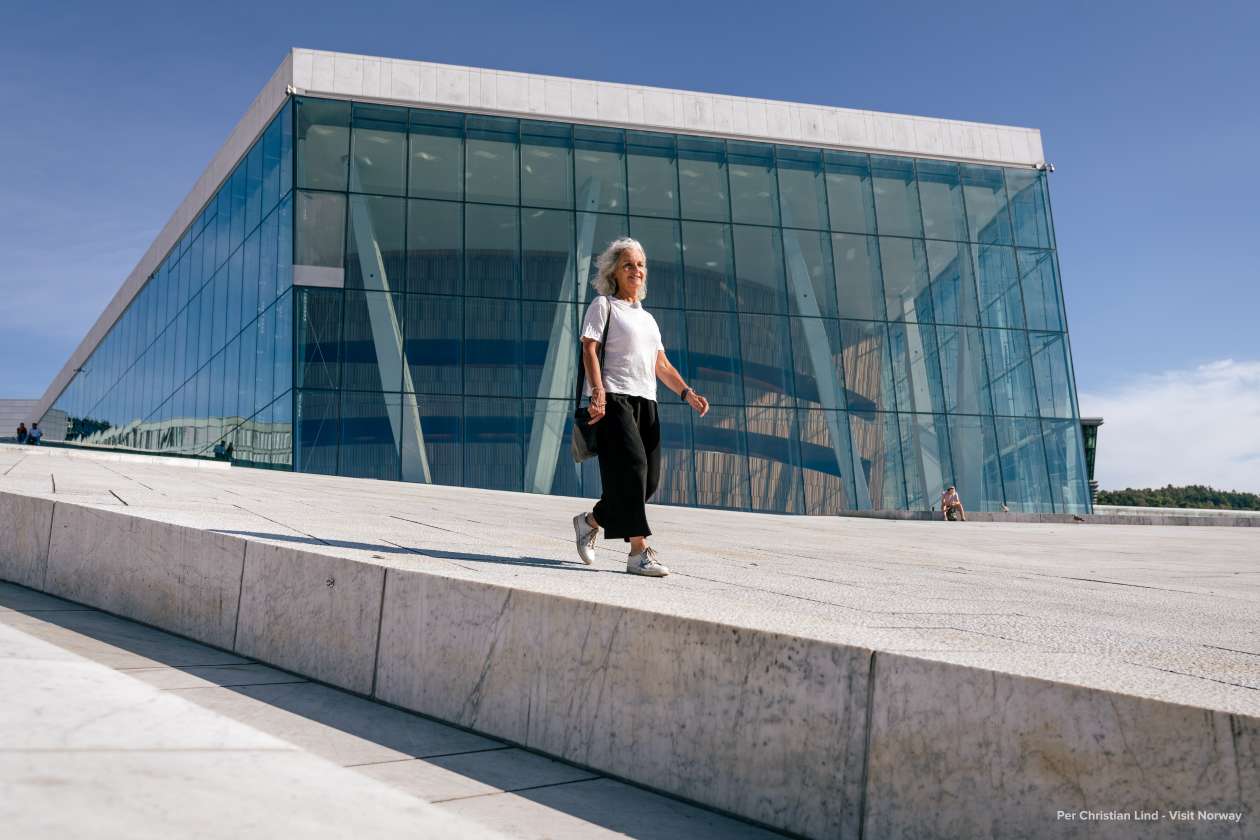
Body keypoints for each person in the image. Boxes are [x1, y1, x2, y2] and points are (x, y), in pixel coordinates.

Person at [572, 237, 709, 577]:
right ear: (614, 272)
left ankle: (590, 521)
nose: (636, 270)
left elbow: (661, 365)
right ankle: (638, 552)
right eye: (628, 265)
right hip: (614, 399)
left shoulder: (647, 319)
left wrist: (686, 392)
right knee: (632, 467)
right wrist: (598, 390)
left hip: (647, 402)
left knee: (647, 483)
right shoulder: (603, 306)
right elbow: (589, 349)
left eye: (641, 265)